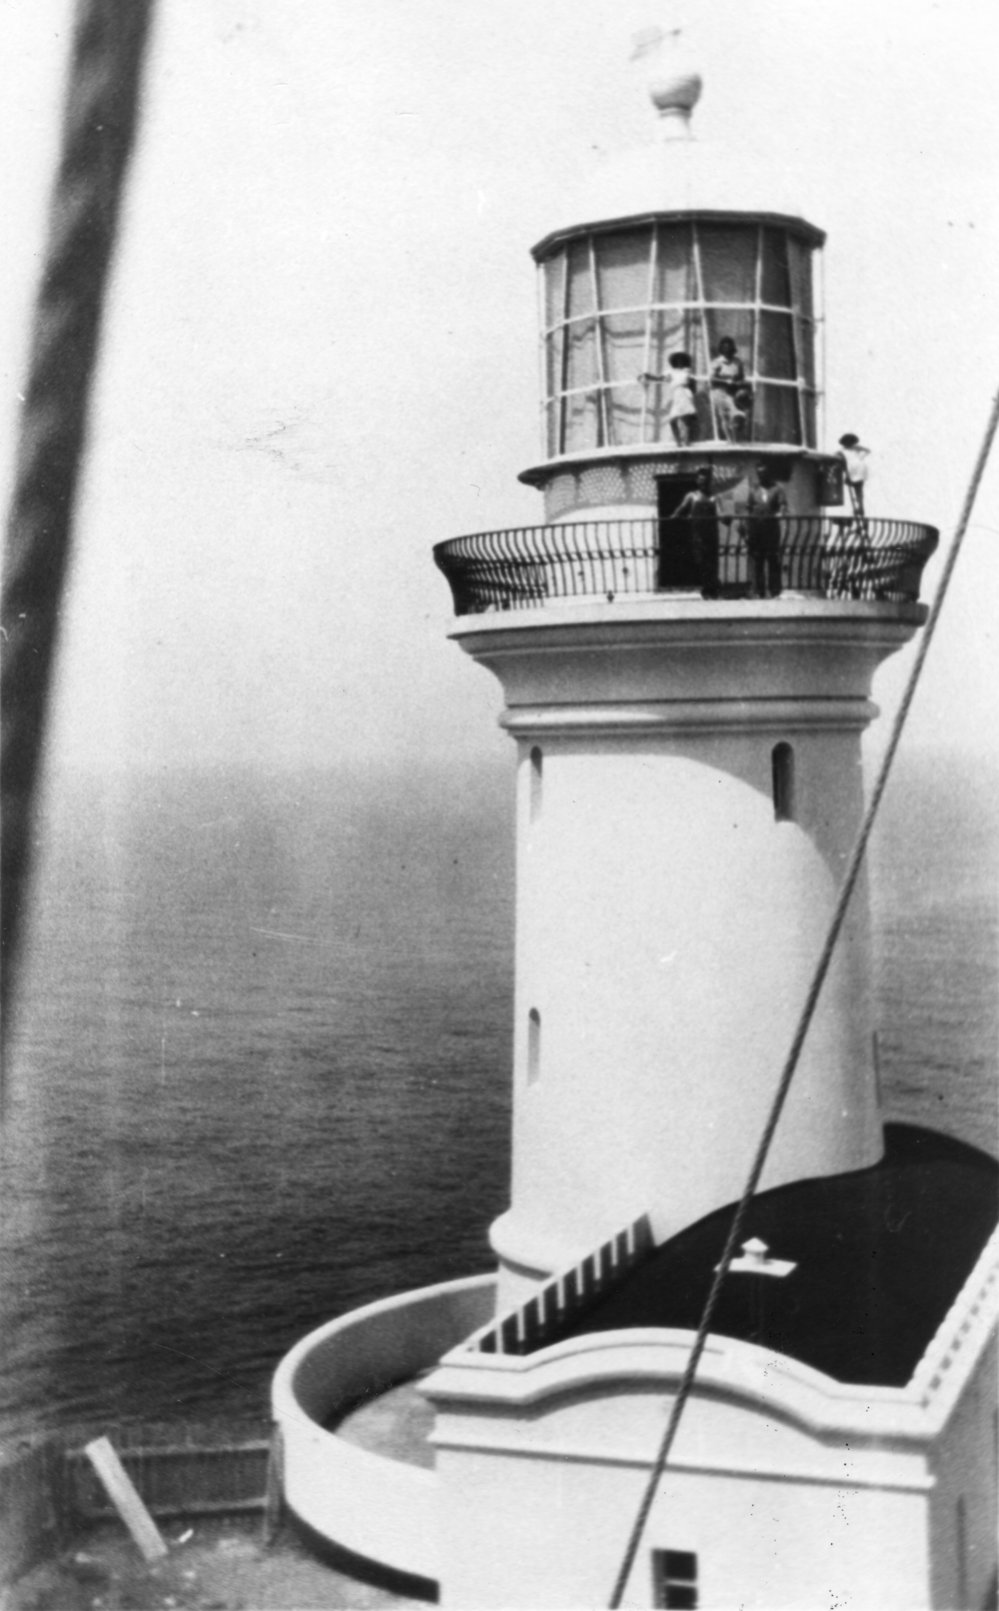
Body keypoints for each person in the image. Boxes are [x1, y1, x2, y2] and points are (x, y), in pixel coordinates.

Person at [674, 466, 720, 598]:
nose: (703, 483)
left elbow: (720, 512)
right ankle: (705, 588)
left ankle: (712, 589)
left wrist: (726, 519)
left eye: (705, 481)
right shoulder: (691, 496)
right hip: (697, 534)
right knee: (701, 561)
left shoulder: (714, 497)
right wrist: (674, 516)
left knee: (712, 562)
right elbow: (681, 508)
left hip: (711, 534)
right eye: (701, 481)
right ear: (697, 481)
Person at [743, 463, 786, 598]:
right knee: (758, 560)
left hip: (771, 529)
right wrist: (746, 527)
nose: (762, 476)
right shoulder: (753, 490)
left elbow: (783, 505)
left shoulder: (777, 489)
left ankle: (774, 591)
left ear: (769, 474)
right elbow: (748, 508)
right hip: (756, 529)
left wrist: (780, 513)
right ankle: (759, 591)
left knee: (773, 559)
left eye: (764, 473)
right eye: (759, 473)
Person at [639, 350, 699, 446]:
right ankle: (678, 441)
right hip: (676, 395)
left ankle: (686, 442)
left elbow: (693, 386)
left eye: (682, 360)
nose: (680, 362)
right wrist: (648, 376)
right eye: (678, 360)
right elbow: (660, 378)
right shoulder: (671, 373)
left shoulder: (687, 372)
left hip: (685, 394)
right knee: (673, 420)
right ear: (675, 362)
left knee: (686, 418)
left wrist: (692, 388)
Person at [709, 337, 751, 442]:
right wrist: (726, 380)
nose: (727, 350)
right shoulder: (717, 362)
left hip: (734, 391)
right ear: (722, 349)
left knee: (738, 416)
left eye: (729, 347)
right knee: (725, 417)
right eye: (725, 347)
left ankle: (737, 439)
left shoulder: (737, 362)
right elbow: (712, 379)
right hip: (720, 392)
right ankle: (730, 439)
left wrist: (739, 382)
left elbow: (741, 376)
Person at [837, 433, 870, 518]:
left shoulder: (841, 451)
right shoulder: (857, 450)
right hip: (861, 468)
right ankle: (860, 506)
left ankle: (859, 507)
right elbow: (868, 451)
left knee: (856, 488)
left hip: (853, 469)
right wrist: (859, 447)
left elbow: (837, 457)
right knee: (859, 489)